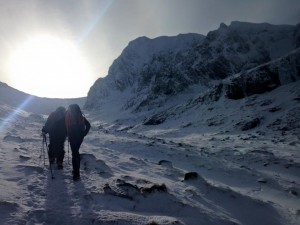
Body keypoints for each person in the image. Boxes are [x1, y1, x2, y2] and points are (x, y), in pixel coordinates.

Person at [65, 104, 91, 180]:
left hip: (73, 136)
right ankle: (76, 171)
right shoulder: (81, 116)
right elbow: (88, 125)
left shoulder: (69, 116)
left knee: (75, 153)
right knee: (76, 152)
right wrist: (84, 133)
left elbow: (67, 127)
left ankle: (76, 173)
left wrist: (67, 135)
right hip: (80, 137)